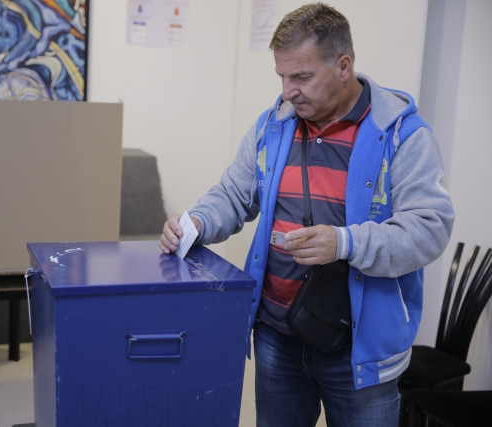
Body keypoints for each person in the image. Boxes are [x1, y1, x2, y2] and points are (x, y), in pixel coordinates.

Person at [160, 3, 455, 427]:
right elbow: (235, 193)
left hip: (358, 351)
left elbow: (430, 229)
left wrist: (345, 243)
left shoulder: (403, 136)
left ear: (343, 66)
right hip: (276, 336)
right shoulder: (274, 125)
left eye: (301, 77)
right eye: (281, 76)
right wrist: (198, 222)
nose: (287, 91)